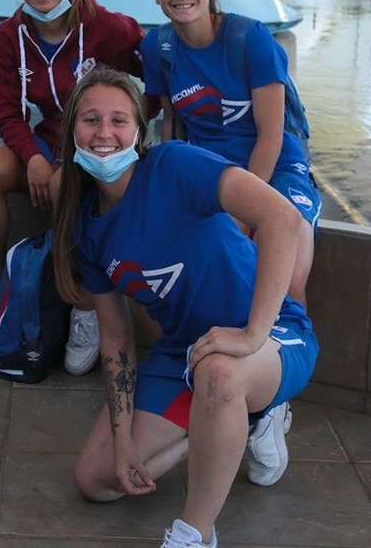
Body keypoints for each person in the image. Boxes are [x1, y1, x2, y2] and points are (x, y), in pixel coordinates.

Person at [52, 66, 318, 547]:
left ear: (139, 129)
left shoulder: (174, 166)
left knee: (221, 371)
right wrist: (123, 438)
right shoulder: (86, 226)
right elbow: (116, 339)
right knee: (98, 479)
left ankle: (194, 533)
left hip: (275, 336)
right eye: (91, 120)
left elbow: (282, 217)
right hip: (186, 353)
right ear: (72, 129)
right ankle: (236, 423)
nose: (104, 133)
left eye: (118, 120)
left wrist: (254, 334)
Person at [0, 0, 145, 375]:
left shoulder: (106, 27)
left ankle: (86, 311)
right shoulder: (10, 36)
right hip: (47, 139)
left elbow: (154, 77)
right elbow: (8, 114)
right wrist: (34, 158)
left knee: (74, 186)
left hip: (96, 143)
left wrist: (131, 131)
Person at [141, 0, 320, 307]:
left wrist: (247, 206)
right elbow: (171, 126)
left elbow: (271, 132)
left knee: (287, 276)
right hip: (213, 171)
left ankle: (289, 357)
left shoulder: (249, 38)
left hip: (277, 167)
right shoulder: (159, 47)